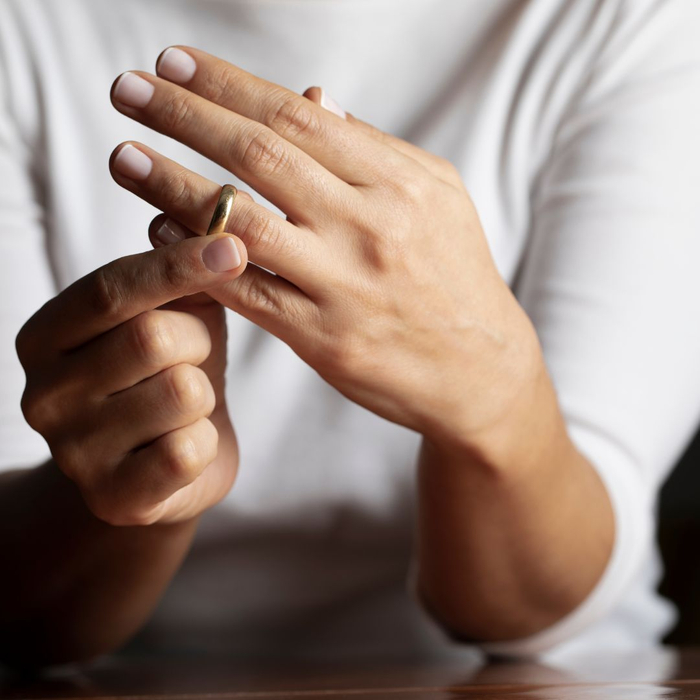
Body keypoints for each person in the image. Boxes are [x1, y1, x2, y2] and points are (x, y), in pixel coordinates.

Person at [1, 0, 699, 668]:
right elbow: (23, 619)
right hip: (132, 683)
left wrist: (498, 407)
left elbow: (536, 606)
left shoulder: (628, 17)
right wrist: (149, 474)